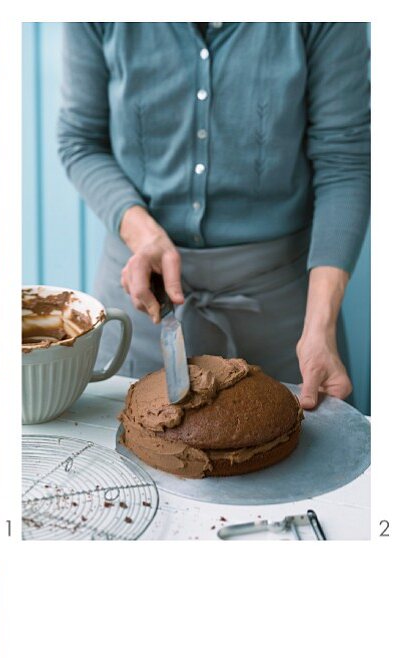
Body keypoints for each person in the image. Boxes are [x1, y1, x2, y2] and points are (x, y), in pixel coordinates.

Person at [58, 22, 370, 409]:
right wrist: (142, 233)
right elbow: (80, 141)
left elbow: (346, 163)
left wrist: (319, 327)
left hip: (285, 315)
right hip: (141, 298)